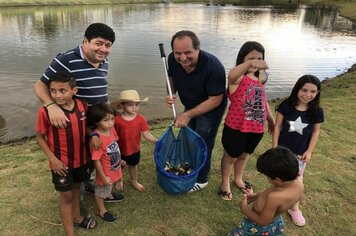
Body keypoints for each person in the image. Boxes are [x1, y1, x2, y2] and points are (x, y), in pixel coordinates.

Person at [33, 22, 116, 201]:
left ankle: (89, 183)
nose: (103, 49)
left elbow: (101, 88)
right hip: (78, 123)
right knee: (79, 159)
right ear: (85, 41)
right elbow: (40, 86)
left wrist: (110, 113)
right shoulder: (66, 59)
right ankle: (76, 199)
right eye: (98, 43)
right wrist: (52, 106)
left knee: (97, 157)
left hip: (99, 122)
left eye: (108, 46)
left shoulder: (104, 60)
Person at [35, 71, 97, 236]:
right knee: (66, 196)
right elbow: (40, 137)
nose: (57, 95)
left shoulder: (82, 106)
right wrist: (52, 158)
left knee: (77, 187)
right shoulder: (45, 112)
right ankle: (70, 233)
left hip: (82, 160)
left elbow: (86, 128)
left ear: (73, 91)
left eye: (62, 90)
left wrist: (94, 135)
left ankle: (77, 217)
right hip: (61, 164)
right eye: (53, 91)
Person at [166, 30, 227, 192]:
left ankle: (202, 179)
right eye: (178, 53)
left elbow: (216, 99)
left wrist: (187, 114)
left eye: (187, 52)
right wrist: (171, 92)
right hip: (191, 103)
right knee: (189, 137)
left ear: (197, 49)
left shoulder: (213, 67)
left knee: (203, 141)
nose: (182, 58)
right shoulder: (172, 59)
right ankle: (191, 166)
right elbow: (170, 78)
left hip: (211, 107)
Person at [219, 41, 274, 200]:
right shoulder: (237, 79)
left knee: (243, 156)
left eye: (259, 59)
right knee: (230, 157)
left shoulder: (261, 78)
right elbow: (232, 75)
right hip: (236, 127)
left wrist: (270, 120)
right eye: (251, 58)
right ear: (242, 60)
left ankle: (237, 179)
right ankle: (225, 183)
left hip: (256, 129)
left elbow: (263, 100)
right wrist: (250, 63)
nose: (255, 62)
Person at [272, 74, 324, 227]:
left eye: (313, 92)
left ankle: (294, 208)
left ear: (317, 93)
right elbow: (277, 127)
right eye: (304, 90)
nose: (308, 95)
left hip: (300, 155)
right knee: (279, 178)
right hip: (282, 151)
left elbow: (315, 132)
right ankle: (276, 202)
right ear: (297, 89)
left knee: (296, 182)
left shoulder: (317, 111)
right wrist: (274, 147)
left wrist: (309, 151)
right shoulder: (286, 105)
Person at [228, 146, 304, 235]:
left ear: (278, 180)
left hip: (258, 227)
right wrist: (258, 196)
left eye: (267, 176)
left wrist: (244, 209)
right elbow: (279, 200)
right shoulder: (298, 184)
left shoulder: (275, 197)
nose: (267, 178)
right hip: (275, 221)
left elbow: (262, 221)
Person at [87, 103, 125, 223]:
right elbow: (97, 161)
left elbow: (114, 145)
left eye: (112, 119)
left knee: (110, 184)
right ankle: (101, 210)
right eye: (106, 120)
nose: (110, 123)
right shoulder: (97, 140)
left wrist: (120, 159)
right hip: (105, 171)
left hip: (114, 165)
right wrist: (103, 177)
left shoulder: (111, 130)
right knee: (100, 190)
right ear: (97, 121)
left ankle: (108, 196)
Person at [113, 89, 157, 192]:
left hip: (134, 149)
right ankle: (119, 180)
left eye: (137, 104)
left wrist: (156, 141)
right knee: (118, 167)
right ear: (122, 105)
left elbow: (146, 133)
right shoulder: (116, 119)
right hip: (119, 150)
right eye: (130, 104)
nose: (134, 107)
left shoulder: (141, 119)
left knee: (133, 166)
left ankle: (134, 181)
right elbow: (112, 135)